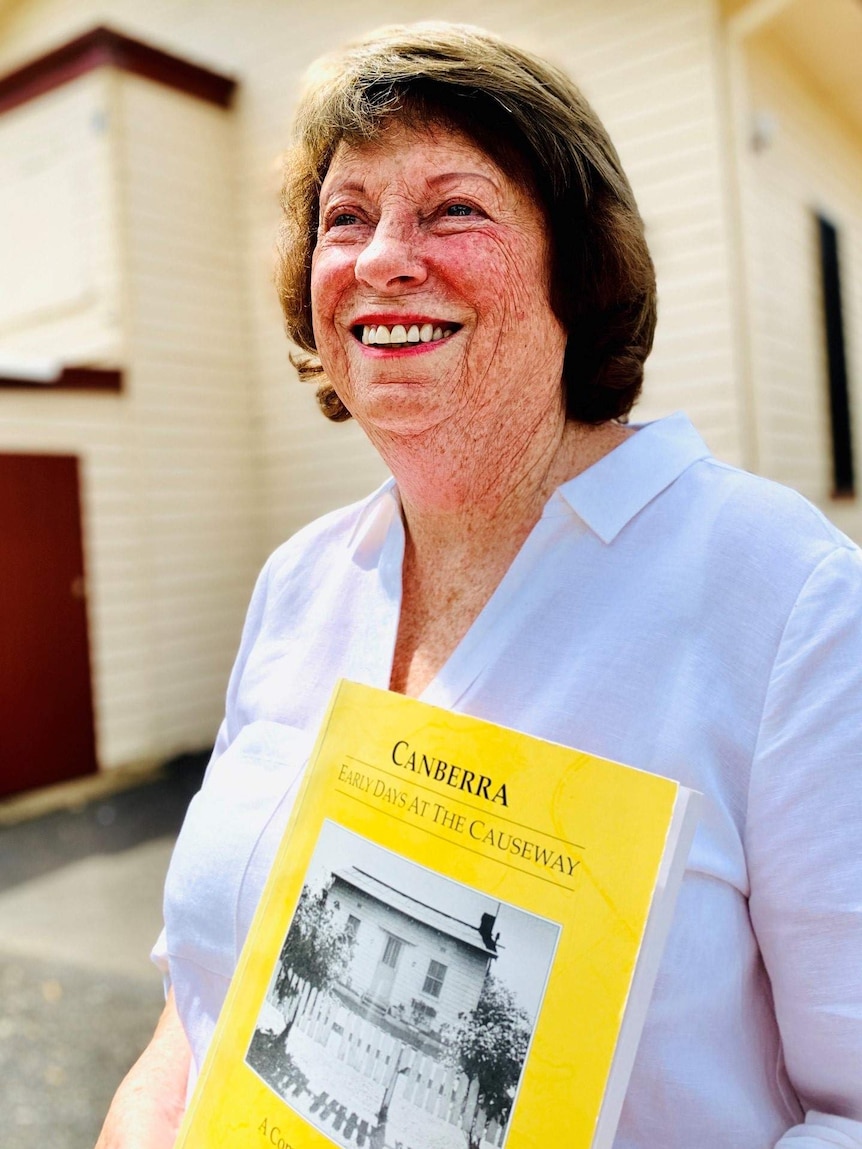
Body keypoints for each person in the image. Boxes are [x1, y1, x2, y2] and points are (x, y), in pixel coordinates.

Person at [95, 22, 862, 1149]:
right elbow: (204, 994)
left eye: (453, 208)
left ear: (575, 268)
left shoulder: (787, 599)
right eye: (344, 219)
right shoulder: (300, 582)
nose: (379, 260)